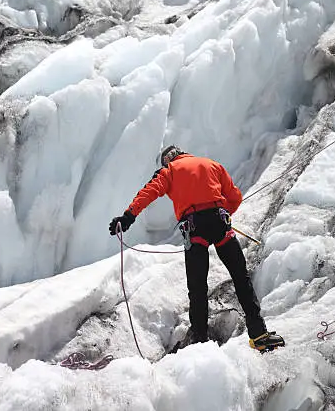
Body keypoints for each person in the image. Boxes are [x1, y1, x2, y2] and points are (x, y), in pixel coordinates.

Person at [109, 146, 285, 352]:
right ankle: (259, 334)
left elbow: (149, 193)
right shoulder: (212, 164)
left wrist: (128, 217)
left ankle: (200, 343)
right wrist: (223, 215)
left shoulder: (169, 171)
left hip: (194, 229)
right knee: (240, 276)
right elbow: (235, 197)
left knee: (198, 288)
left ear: (167, 159)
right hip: (220, 223)